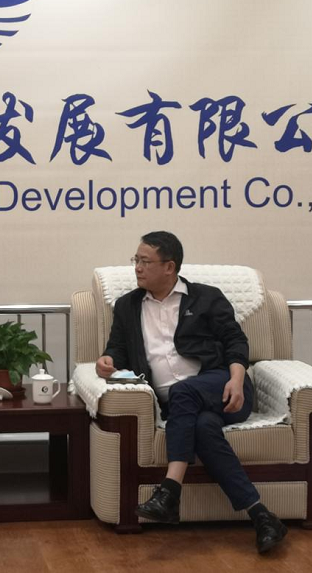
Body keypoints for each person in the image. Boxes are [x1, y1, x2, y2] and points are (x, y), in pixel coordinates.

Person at [95, 231, 287, 554]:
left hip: (223, 388)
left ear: (169, 267)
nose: (137, 268)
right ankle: (263, 517)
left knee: (183, 391)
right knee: (203, 427)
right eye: (136, 260)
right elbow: (117, 350)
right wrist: (108, 361)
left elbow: (235, 341)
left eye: (145, 261)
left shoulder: (206, 298)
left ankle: (170, 491)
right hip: (180, 407)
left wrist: (237, 379)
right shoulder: (127, 306)